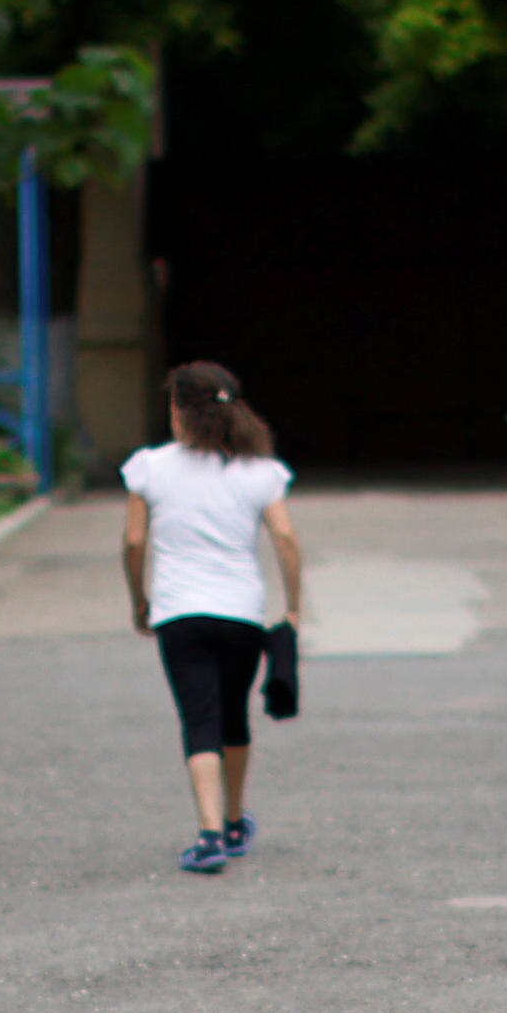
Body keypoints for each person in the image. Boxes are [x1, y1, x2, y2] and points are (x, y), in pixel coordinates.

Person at [120, 361, 304, 874]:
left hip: (178, 612)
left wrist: (139, 599)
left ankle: (207, 836)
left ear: (178, 409)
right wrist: (292, 605)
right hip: (242, 613)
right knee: (232, 717)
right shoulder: (261, 471)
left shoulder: (149, 467)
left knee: (198, 720)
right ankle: (233, 819)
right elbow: (285, 538)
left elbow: (134, 541)